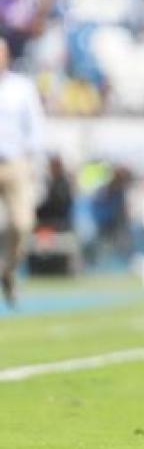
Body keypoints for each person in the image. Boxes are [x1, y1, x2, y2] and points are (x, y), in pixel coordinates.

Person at [0, 36, 45, 306]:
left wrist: (33, 163)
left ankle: (9, 270)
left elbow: (36, 127)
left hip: (15, 163)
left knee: (22, 224)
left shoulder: (21, 88)